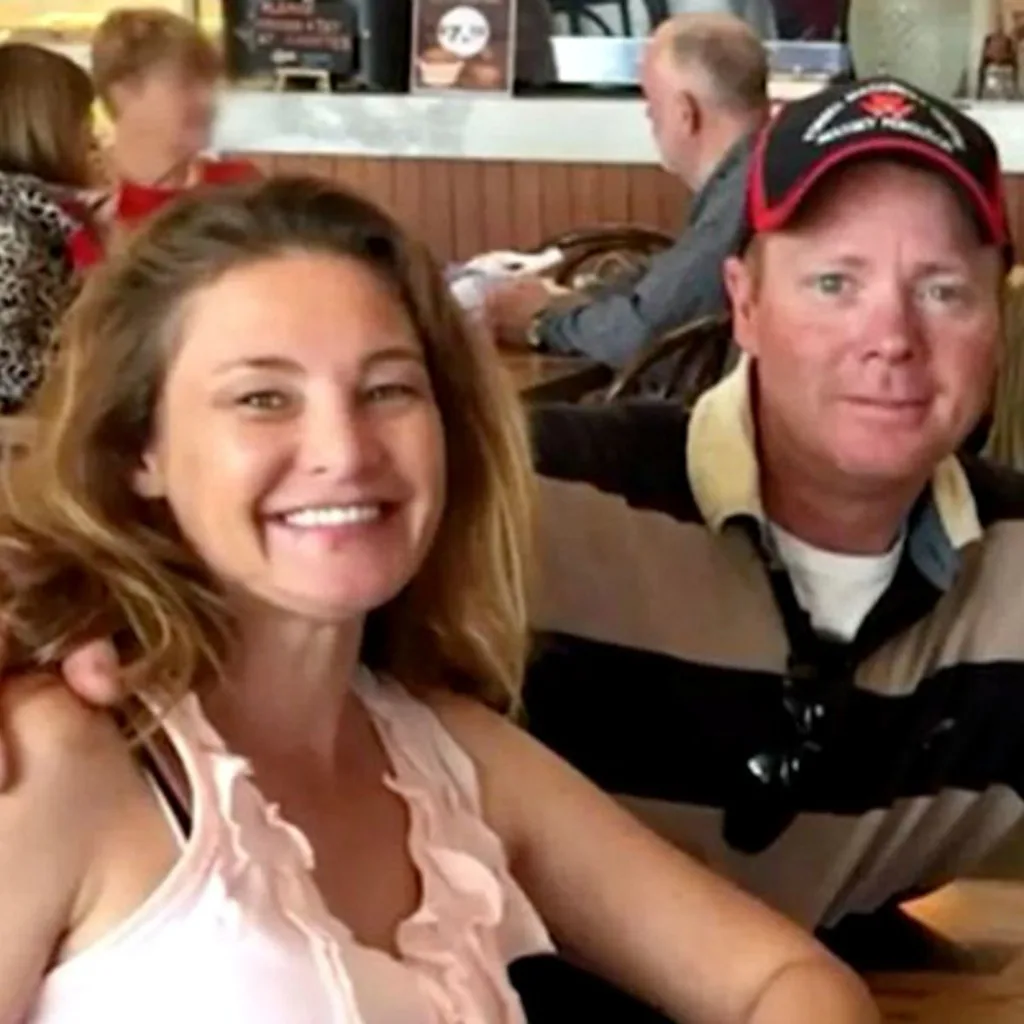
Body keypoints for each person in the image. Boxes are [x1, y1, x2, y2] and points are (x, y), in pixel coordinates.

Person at [0, 176, 874, 1022]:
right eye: (263, 398)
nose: (345, 450)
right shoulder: (58, 757)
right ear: (139, 451)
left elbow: (788, 979)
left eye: (387, 390)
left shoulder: (452, 757)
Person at [523, 76, 1024, 941]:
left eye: (943, 291)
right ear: (745, 305)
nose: (892, 338)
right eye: (834, 283)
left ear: (997, 323)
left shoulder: (1011, 568)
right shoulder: (540, 498)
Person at [484, 12, 769, 369]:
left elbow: (641, 333)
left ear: (685, 114)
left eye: (652, 106)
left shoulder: (744, 192)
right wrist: (580, 300)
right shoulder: (757, 170)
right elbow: (665, 287)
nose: (649, 119)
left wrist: (541, 322)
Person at [69, 7, 257, 267]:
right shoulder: (85, 222)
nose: (208, 99)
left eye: (210, 83)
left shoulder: (242, 188)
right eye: (186, 84)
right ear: (124, 91)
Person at [0, 43, 98, 413]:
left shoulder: (38, 218)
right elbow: (8, 376)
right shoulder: (12, 228)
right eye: (84, 120)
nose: (92, 139)